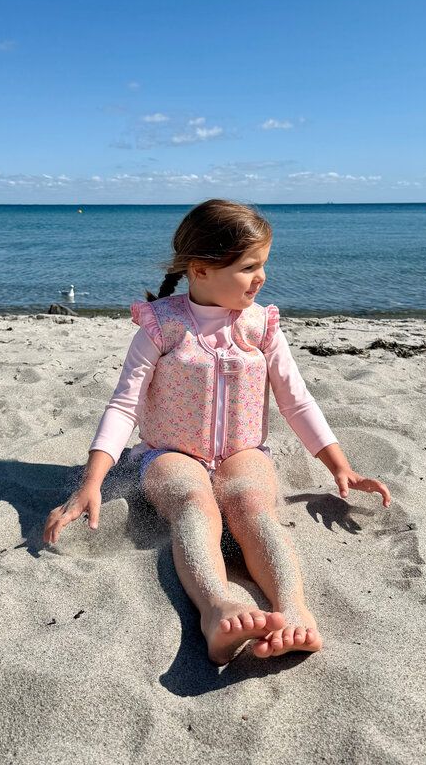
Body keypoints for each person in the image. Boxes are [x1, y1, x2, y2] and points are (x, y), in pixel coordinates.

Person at [44, 199, 391, 664]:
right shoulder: (161, 328)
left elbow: (297, 401)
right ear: (201, 269)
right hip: (170, 453)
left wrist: (339, 465)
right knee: (193, 501)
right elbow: (124, 406)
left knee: (251, 504)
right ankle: (216, 608)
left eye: (263, 265)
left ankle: (293, 609)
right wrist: (91, 482)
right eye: (248, 267)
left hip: (244, 451)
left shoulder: (262, 327)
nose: (261, 277)